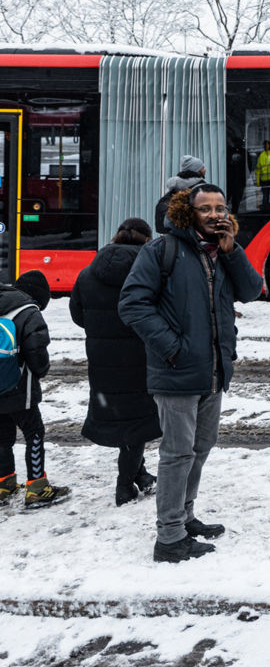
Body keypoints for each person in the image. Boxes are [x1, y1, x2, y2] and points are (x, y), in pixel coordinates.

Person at [118, 184, 264, 563]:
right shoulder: (161, 250)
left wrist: (233, 252)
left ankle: (184, 517)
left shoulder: (224, 252)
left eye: (221, 208)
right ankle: (168, 538)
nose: (215, 215)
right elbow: (132, 304)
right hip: (176, 371)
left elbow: (251, 291)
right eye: (206, 209)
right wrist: (172, 348)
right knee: (177, 453)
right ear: (188, 213)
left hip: (213, 370)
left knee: (200, 448)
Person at [70, 217, 163, 506]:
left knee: (126, 420)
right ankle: (124, 487)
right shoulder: (150, 272)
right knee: (137, 424)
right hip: (140, 359)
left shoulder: (88, 274)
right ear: (147, 240)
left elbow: (77, 315)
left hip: (103, 360)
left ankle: (141, 475)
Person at [0, 271, 70, 509]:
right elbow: (37, 350)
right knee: (34, 432)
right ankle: (38, 488)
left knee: (2, 435)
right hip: (20, 386)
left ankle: (4, 483)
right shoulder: (29, 311)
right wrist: (40, 371)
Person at [154, 155, 205, 235]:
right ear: (197, 170)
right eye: (202, 167)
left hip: (171, 231)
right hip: (191, 232)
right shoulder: (199, 187)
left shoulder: (173, 186)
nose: (204, 169)